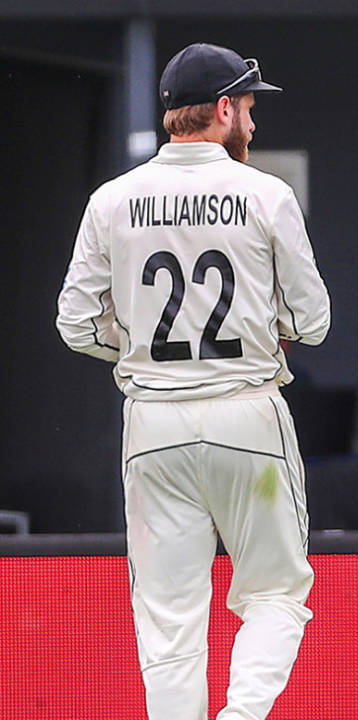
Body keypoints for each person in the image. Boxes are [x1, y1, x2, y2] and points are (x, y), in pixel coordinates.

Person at [55, 43, 330, 720]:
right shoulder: (267, 193)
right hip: (246, 414)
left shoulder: (110, 200)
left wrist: (142, 344)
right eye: (251, 108)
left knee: (169, 619)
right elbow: (313, 322)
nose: (255, 125)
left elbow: (76, 325)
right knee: (274, 593)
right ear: (226, 109)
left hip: (153, 422)